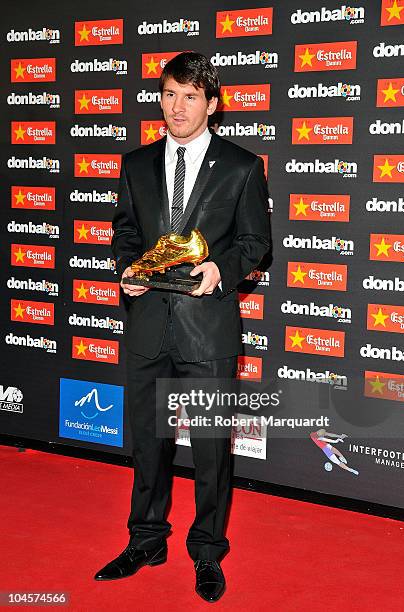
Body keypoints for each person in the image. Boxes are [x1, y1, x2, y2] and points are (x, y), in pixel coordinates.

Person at [94, 51, 271, 602]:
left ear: (212, 105)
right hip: (148, 323)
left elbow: (255, 244)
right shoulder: (136, 164)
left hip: (206, 329)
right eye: (169, 94)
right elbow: (124, 233)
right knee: (148, 444)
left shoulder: (242, 167)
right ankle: (145, 539)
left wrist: (223, 269)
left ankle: (208, 551)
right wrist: (126, 268)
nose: (177, 107)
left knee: (213, 450)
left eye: (190, 96)